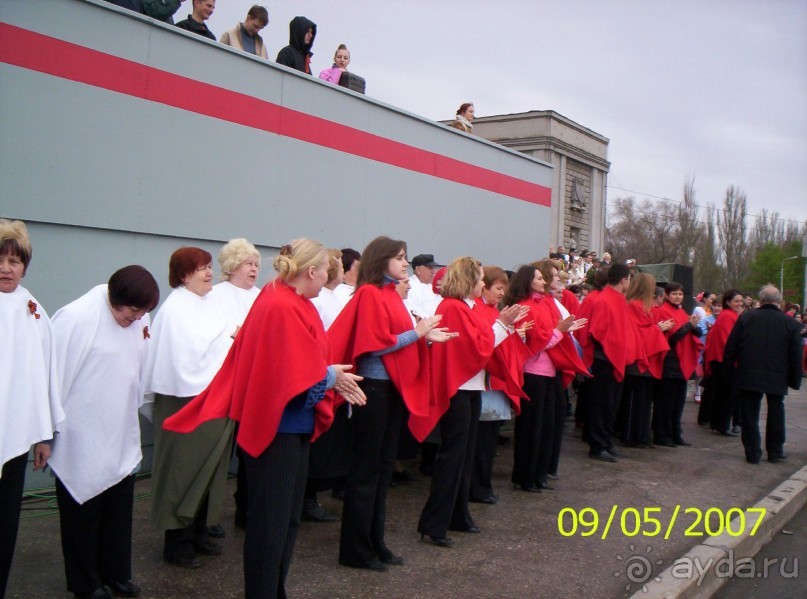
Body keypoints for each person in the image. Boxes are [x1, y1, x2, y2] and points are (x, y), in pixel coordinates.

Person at [164, 239, 366, 599]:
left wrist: (330, 377)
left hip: (292, 427)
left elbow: (299, 365)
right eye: (326, 269)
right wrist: (331, 378)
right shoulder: (280, 304)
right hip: (278, 430)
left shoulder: (290, 301)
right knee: (271, 525)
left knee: (285, 522)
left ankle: (274, 590)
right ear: (311, 271)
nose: (328, 276)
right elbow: (286, 376)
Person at [328, 236, 455, 572]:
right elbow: (375, 344)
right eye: (399, 258)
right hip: (374, 389)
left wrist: (423, 335)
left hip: (389, 389)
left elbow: (395, 339)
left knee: (383, 469)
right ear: (381, 260)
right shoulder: (371, 293)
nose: (404, 263)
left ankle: (374, 542)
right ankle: (356, 549)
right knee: (368, 471)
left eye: (405, 257)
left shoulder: (387, 294)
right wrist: (419, 332)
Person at [49, 266, 160, 599]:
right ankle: (86, 583)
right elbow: (53, 377)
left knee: (118, 509)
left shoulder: (138, 316)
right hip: (80, 432)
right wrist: (47, 432)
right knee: (83, 512)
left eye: (142, 314)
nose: (136, 319)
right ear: (114, 298)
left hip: (119, 429)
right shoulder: (75, 318)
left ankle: (116, 574)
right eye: (129, 313)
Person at [411, 258, 528, 546]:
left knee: (462, 457)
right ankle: (435, 523)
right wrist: (502, 325)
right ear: (467, 280)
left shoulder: (468, 306)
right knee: (453, 457)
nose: (482, 284)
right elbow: (475, 347)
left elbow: (481, 342)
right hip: (458, 388)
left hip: (470, 387)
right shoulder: (453, 307)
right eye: (478, 279)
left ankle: (457, 516)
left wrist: (503, 326)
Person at [144, 247, 236, 569]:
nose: (209, 273)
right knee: (182, 471)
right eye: (202, 268)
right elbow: (186, 356)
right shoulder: (175, 309)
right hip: (184, 402)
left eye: (210, 267)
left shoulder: (209, 303)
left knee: (208, 469)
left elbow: (223, 337)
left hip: (214, 398)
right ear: (184, 274)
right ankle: (176, 544)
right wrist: (228, 342)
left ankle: (198, 531)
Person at [0, 219, 63, 599]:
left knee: (6, 524)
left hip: (15, 435)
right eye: (1, 258)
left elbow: (43, 377)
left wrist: (43, 435)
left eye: (15, 260)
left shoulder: (33, 312)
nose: (6, 268)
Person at [505, 264, 585, 487]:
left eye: (543, 278)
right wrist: (559, 331)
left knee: (546, 426)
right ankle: (525, 476)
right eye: (539, 279)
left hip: (549, 372)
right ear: (528, 281)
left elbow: (551, 335)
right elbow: (537, 342)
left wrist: (562, 330)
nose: (543, 282)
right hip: (534, 373)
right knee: (531, 427)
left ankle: (539, 474)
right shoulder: (525, 306)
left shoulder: (544, 304)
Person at [206, 238, 261, 531]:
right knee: (219, 451)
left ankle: (246, 509)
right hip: (226, 381)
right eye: (247, 263)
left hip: (254, 384)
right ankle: (208, 516)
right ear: (232, 266)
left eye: (255, 264)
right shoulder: (215, 295)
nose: (253, 269)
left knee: (250, 451)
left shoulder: (261, 295)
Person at [470, 267, 530, 504]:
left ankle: (482, 485)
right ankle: (478, 487)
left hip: (494, 382)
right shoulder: (478, 310)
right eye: (497, 288)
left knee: (488, 439)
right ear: (483, 287)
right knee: (481, 441)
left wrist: (515, 332)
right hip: (485, 383)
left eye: (503, 288)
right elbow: (485, 343)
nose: (502, 293)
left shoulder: (493, 310)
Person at [724, 286, 803, 464]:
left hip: (748, 373)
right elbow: (796, 355)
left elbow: (731, 346)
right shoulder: (790, 323)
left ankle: (753, 453)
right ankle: (775, 451)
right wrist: (794, 379)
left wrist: (730, 371)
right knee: (776, 411)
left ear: (762, 299)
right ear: (778, 301)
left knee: (750, 414)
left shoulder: (746, 317)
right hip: (778, 374)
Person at [580, 263, 643, 462]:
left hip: (613, 359)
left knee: (611, 405)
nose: (630, 283)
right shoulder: (605, 300)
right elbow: (598, 332)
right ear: (624, 279)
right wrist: (614, 347)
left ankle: (605, 442)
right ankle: (598, 446)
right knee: (602, 405)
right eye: (629, 279)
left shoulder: (617, 299)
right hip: (605, 360)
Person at [621, 274, 671, 448]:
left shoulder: (642, 306)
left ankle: (641, 435)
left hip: (647, 360)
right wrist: (658, 329)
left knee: (644, 401)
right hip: (638, 361)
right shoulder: (634, 305)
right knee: (636, 401)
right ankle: (631, 436)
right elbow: (636, 332)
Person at [652, 282, 702, 448]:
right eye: (674, 294)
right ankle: (662, 434)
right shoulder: (663, 311)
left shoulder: (681, 311)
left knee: (678, 401)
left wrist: (694, 326)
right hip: (670, 361)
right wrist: (689, 325)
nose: (678, 297)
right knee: (666, 401)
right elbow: (674, 337)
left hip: (681, 362)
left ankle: (675, 433)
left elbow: (692, 332)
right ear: (666, 295)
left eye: (680, 294)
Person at [703, 290, 743, 435]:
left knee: (722, 394)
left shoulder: (727, 315)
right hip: (725, 361)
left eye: (740, 301)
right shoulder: (728, 316)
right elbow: (728, 341)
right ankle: (722, 425)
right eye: (736, 301)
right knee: (727, 395)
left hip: (721, 360)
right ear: (728, 302)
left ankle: (718, 423)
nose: (739, 304)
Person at [405, 253, 442, 318]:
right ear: (418, 270)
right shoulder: (409, 286)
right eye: (430, 268)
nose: (433, 271)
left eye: (433, 268)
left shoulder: (432, 287)